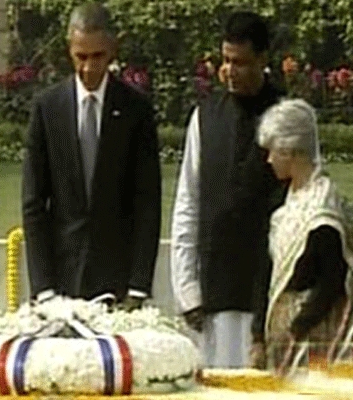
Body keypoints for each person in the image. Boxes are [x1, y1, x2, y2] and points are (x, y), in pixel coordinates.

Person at [22, 2, 162, 309]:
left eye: (97, 56)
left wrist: (138, 286)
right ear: (69, 49)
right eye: (80, 57)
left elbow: (147, 202)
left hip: (118, 279)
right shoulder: (47, 109)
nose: (88, 67)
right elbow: (34, 203)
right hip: (61, 280)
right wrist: (43, 288)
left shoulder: (135, 110)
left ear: (112, 49)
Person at [170, 11, 286, 368]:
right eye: (226, 60)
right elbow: (188, 202)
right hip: (213, 295)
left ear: (263, 59)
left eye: (241, 62)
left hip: (268, 294)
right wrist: (187, 288)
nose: (230, 71)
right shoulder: (204, 117)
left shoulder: (287, 116)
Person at [250, 99, 353, 371]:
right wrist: (259, 335)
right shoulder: (283, 202)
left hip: (316, 340)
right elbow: (267, 270)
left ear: (291, 151)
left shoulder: (323, 209)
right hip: (281, 334)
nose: (269, 159)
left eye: (273, 151)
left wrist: (296, 330)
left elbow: (332, 281)